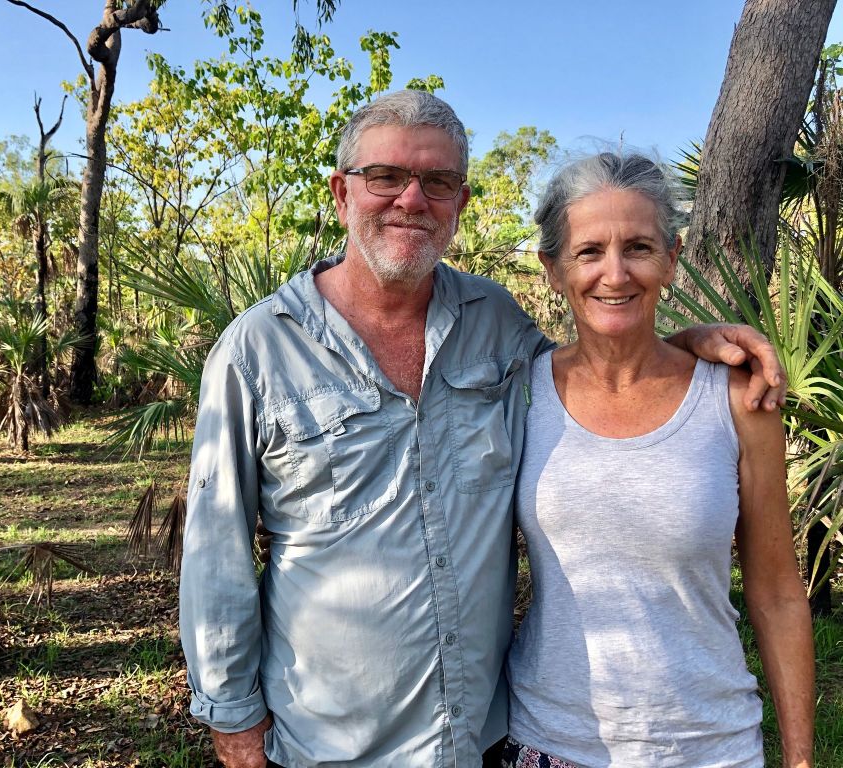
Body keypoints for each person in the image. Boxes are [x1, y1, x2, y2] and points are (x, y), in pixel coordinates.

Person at [178, 90, 787, 768]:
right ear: (341, 192)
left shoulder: (495, 326)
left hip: (481, 738)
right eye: (385, 176)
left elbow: (602, 359)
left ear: (461, 204)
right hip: (328, 741)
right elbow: (216, 553)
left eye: (438, 182)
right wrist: (232, 721)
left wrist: (688, 342)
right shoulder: (257, 350)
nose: (411, 199)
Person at [501, 153, 815, 768]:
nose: (615, 274)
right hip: (550, 740)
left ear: (671, 259)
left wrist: (800, 758)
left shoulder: (738, 400)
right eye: (589, 251)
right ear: (552, 269)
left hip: (709, 744)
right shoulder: (518, 393)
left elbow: (777, 590)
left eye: (639, 248)